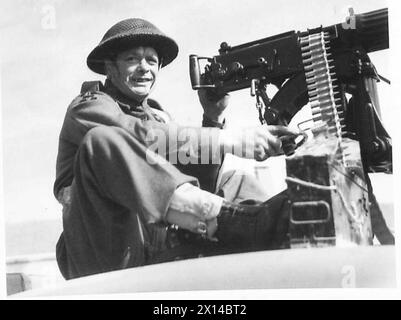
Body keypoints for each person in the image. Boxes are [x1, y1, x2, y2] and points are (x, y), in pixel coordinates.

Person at [54, 18, 298, 279]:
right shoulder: (88, 107)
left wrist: (212, 118)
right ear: (110, 67)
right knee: (100, 142)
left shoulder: (159, 118)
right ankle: (244, 225)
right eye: (132, 59)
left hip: (156, 245)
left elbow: (190, 187)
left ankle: (268, 241)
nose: (144, 68)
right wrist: (231, 140)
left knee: (238, 180)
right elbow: (142, 137)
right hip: (106, 250)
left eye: (151, 60)